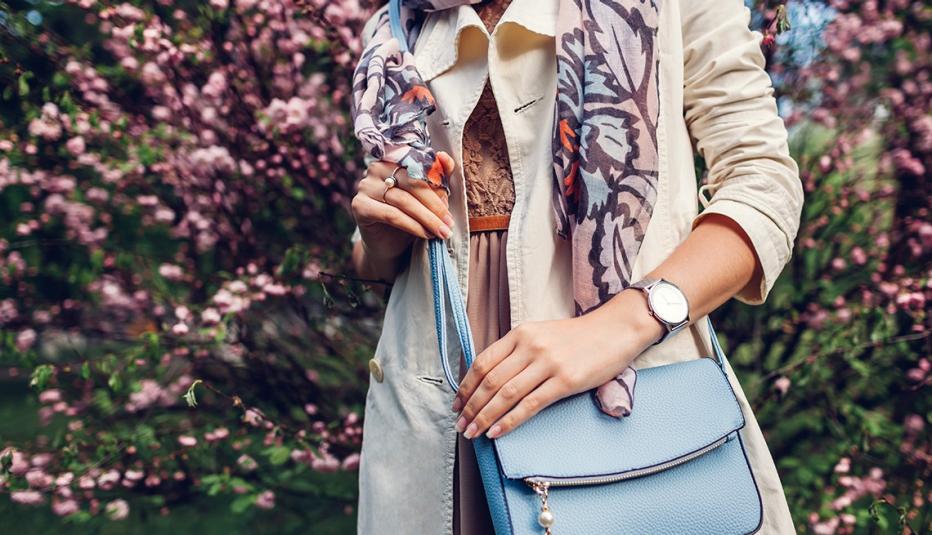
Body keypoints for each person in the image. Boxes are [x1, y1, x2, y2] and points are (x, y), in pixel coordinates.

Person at [348, 0, 803, 533]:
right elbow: (375, 261)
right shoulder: (396, 23)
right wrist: (378, 233)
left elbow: (763, 183)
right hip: (435, 402)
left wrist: (618, 327)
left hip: (620, 378)